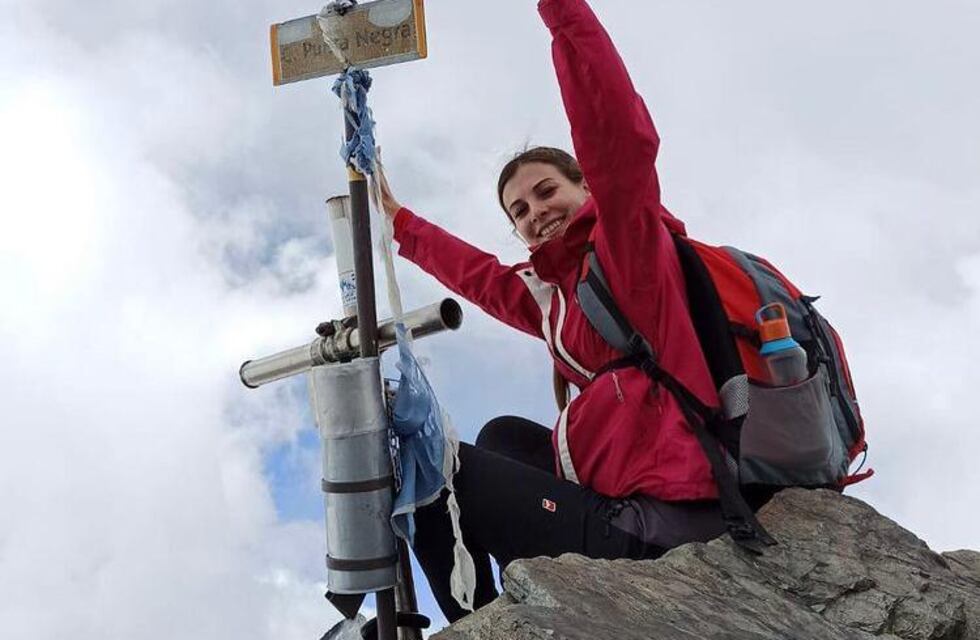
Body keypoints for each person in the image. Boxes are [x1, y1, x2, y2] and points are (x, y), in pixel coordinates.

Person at [375, 0, 727, 622]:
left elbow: (619, 140)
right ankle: (521, 606)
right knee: (502, 437)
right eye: (519, 209)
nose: (534, 212)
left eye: (547, 192)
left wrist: (562, 14)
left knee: (430, 469)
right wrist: (400, 222)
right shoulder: (560, 295)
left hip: (660, 525)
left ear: (586, 188)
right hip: (627, 498)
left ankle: (485, 625)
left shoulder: (629, 253)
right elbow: (483, 279)